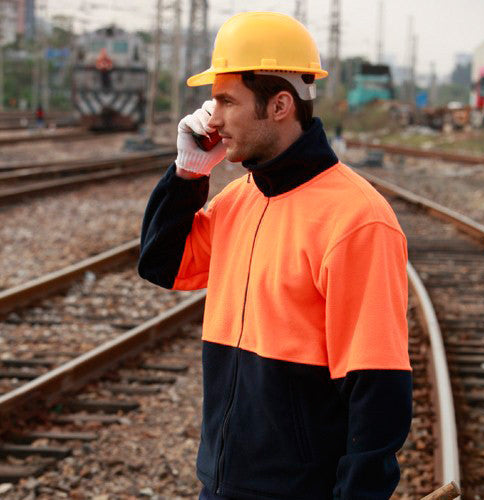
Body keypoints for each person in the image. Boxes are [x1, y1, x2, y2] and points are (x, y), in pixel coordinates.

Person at [138, 11, 412, 500]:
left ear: (280, 105)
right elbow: (161, 264)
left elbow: (378, 387)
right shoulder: (238, 201)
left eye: (226, 101)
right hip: (221, 486)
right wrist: (187, 173)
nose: (211, 119)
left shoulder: (357, 219)